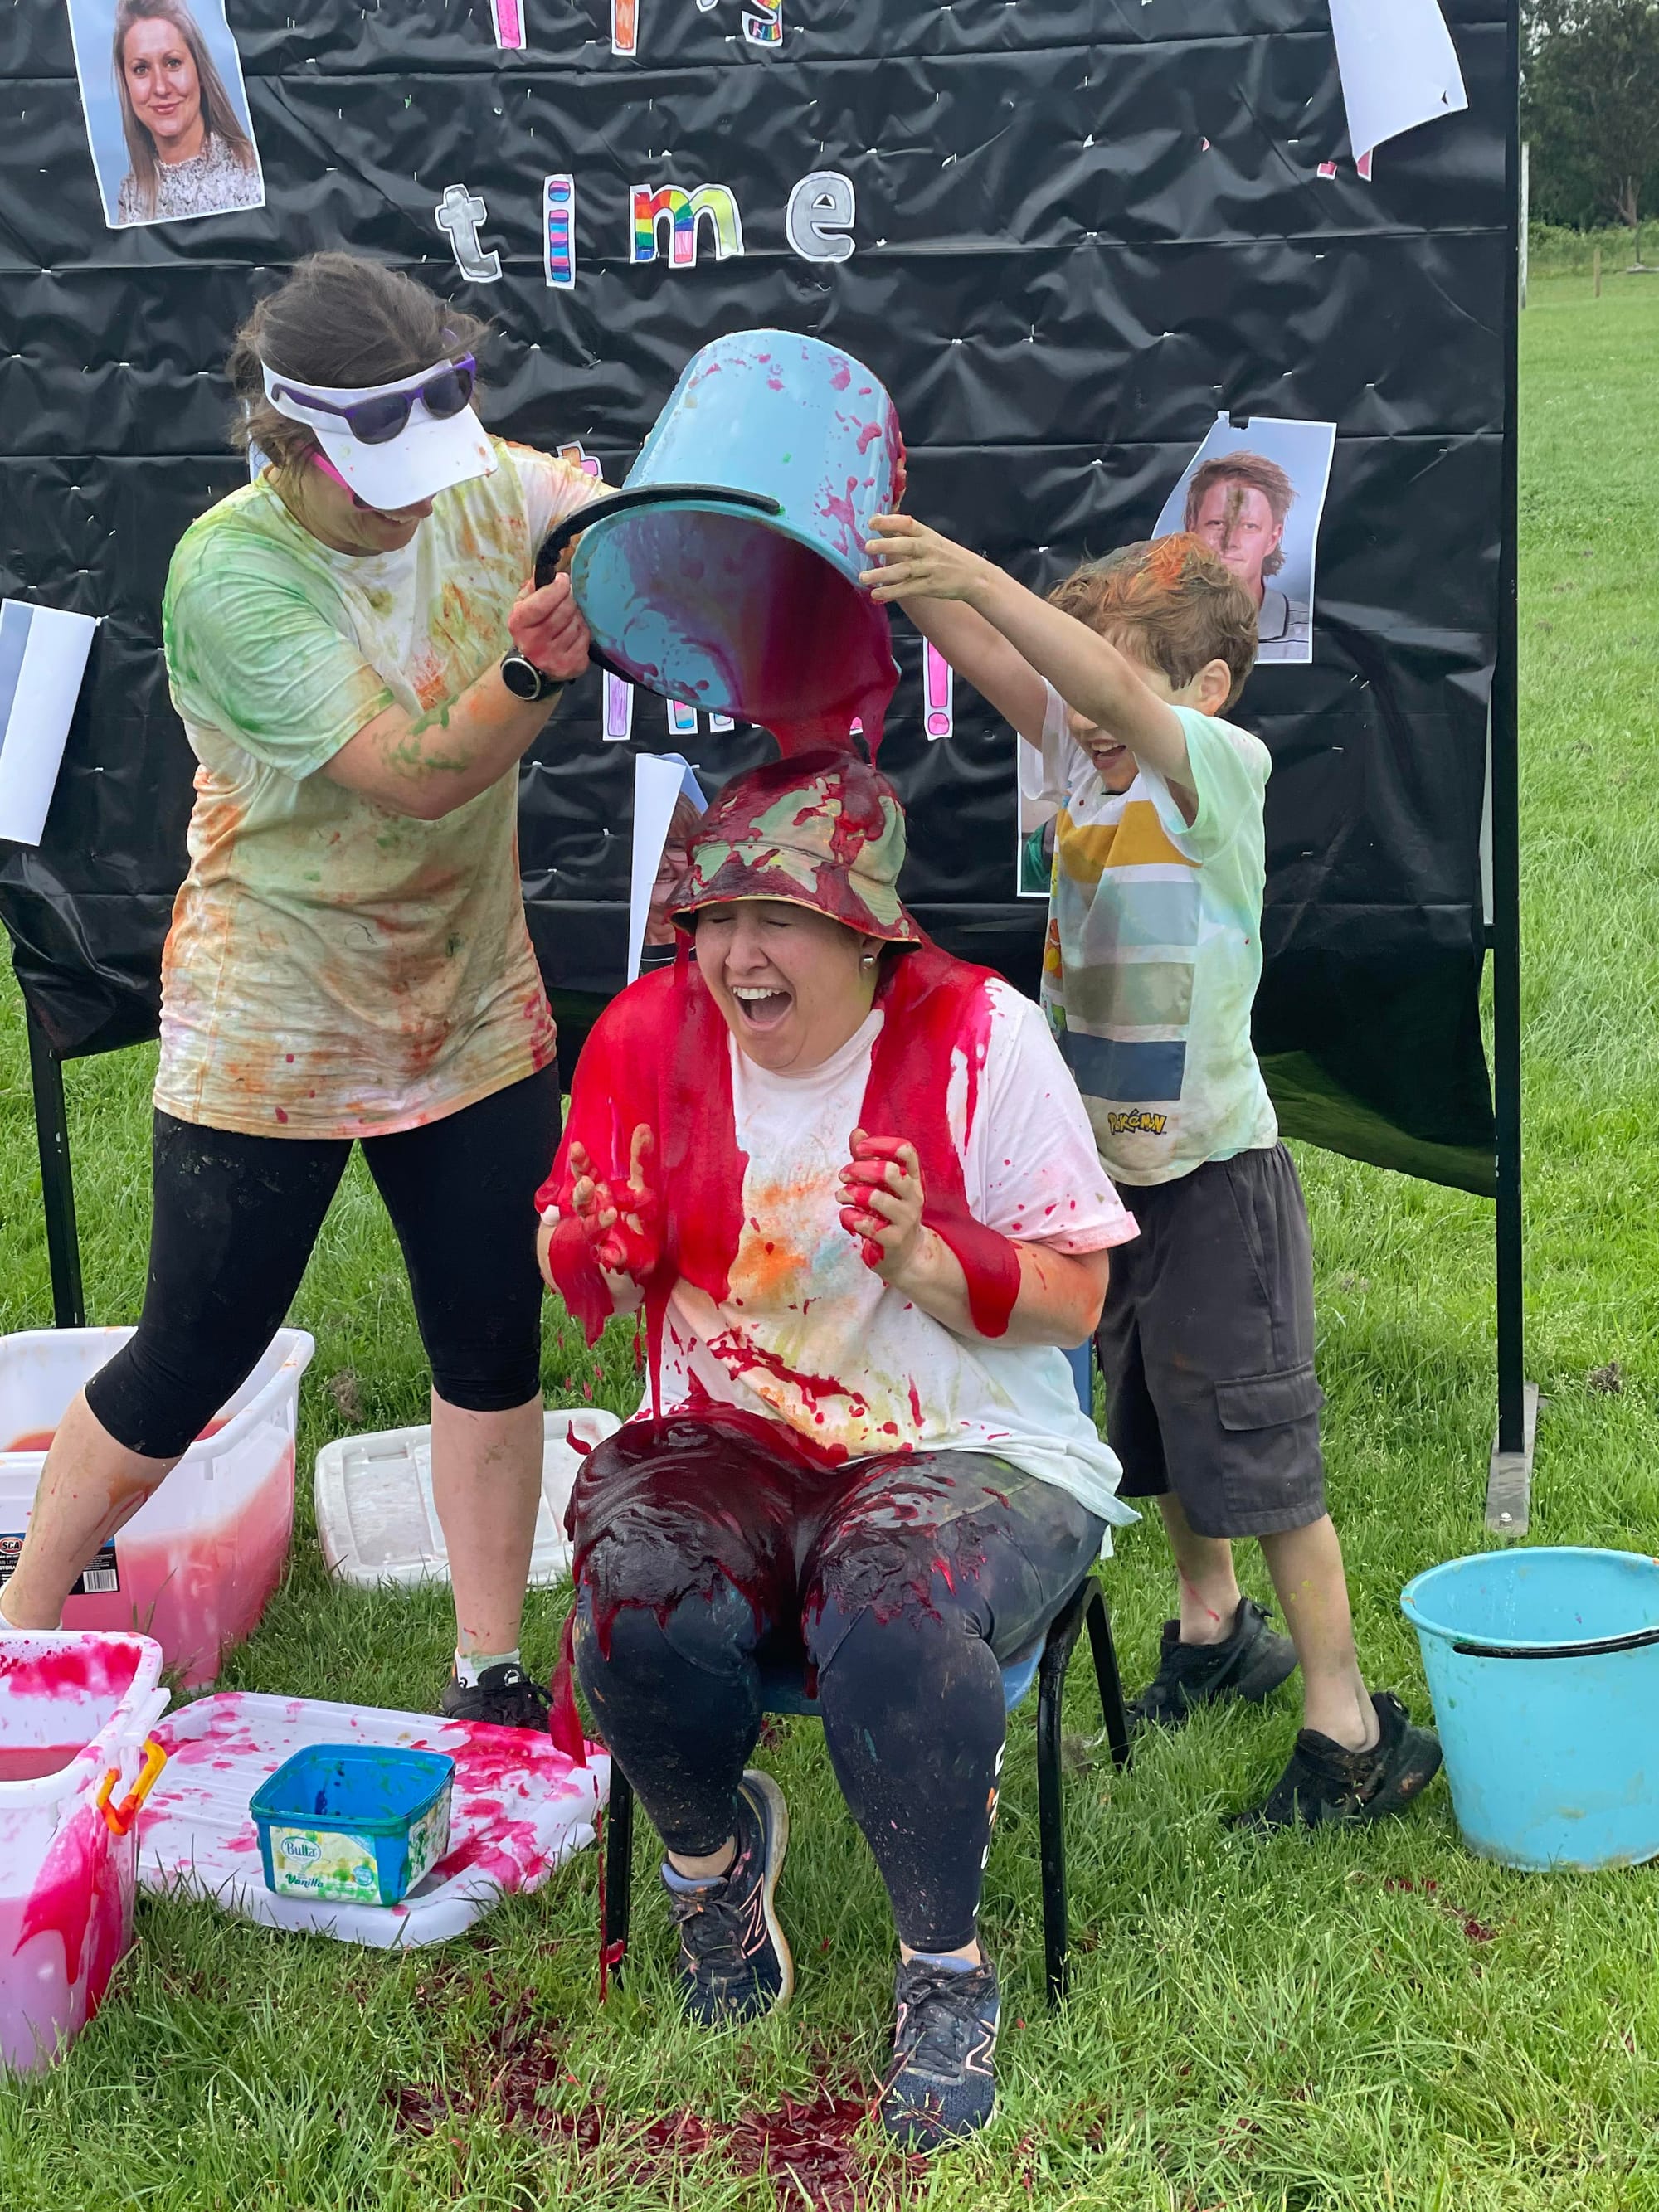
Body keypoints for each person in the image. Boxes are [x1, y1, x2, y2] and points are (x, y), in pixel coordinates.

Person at [0, 253, 602, 1733]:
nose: (413, 501)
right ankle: (20, 1630)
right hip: (275, 1003)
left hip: (465, 992)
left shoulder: (463, 474)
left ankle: (486, 1660)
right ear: (288, 447)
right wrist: (532, 680)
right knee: (193, 1345)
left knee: (490, 1330)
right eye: (372, 478)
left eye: (428, 462)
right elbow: (413, 774)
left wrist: (622, 531)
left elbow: (572, 500)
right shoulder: (231, 571)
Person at [538, 751, 1139, 2150]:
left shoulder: (982, 1038)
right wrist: (590, 1247)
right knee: (629, 1588)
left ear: (867, 932)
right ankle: (714, 1859)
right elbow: (570, 1232)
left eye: (777, 918)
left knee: (892, 1598)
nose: (736, 956)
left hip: (970, 1441)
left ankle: (944, 1968)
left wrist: (933, 1255)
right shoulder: (645, 1031)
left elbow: (1081, 1295)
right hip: (731, 1432)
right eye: (711, 918)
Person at [861, 513, 1443, 1830]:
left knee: (1257, 1444)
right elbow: (1022, 658)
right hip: (1109, 1186)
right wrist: (909, 576)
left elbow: (1106, 683)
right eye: (1078, 692)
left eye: (1113, 686)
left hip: (1216, 1177)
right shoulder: (1087, 743)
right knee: (1156, 1428)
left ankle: (1350, 1728)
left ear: (1209, 689)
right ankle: (1213, 1623)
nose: (1084, 709)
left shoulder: (1215, 767)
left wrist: (977, 570)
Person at [110, 0, 262, 226]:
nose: (160, 87)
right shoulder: (131, 194)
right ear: (126, 83)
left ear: (199, 70)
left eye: (173, 63)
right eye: (141, 69)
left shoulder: (251, 171)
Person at [1182, 452, 1310, 662]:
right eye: (1216, 523)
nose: (1230, 541)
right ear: (1191, 527)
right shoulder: (1153, 625)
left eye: (1249, 526)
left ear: (1272, 538)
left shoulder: (1311, 633)